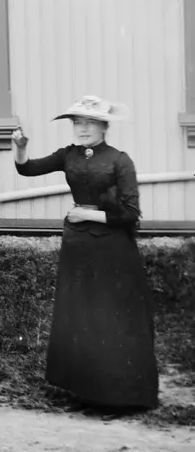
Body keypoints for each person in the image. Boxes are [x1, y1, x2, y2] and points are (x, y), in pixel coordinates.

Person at [11, 95, 158, 411]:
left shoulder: (120, 161)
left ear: (104, 126)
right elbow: (28, 169)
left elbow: (131, 214)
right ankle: (83, 391)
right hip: (78, 245)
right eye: (78, 122)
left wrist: (87, 215)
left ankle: (119, 396)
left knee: (111, 316)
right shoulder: (68, 156)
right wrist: (21, 147)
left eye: (89, 123)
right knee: (80, 315)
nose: (82, 128)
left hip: (113, 249)